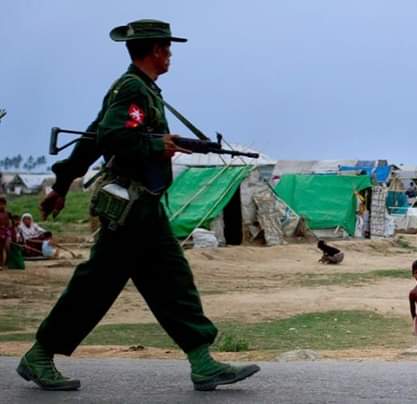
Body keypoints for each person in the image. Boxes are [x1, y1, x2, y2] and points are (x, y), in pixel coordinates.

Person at [17, 20, 260, 392]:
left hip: (145, 208)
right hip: (130, 212)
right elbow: (114, 136)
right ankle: (40, 354)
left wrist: (63, 183)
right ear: (156, 51)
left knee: (173, 282)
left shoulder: (140, 89)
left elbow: (93, 137)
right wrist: (153, 146)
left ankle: (202, 361)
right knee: (96, 286)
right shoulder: (133, 88)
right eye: (168, 48)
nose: (171, 55)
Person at [0, 196, 11, 269]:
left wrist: (7, 234)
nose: (1, 206)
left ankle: (4, 263)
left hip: (5, 233)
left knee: (6, 248)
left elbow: (8, 225)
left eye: (2, 204)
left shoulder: (7, 214)